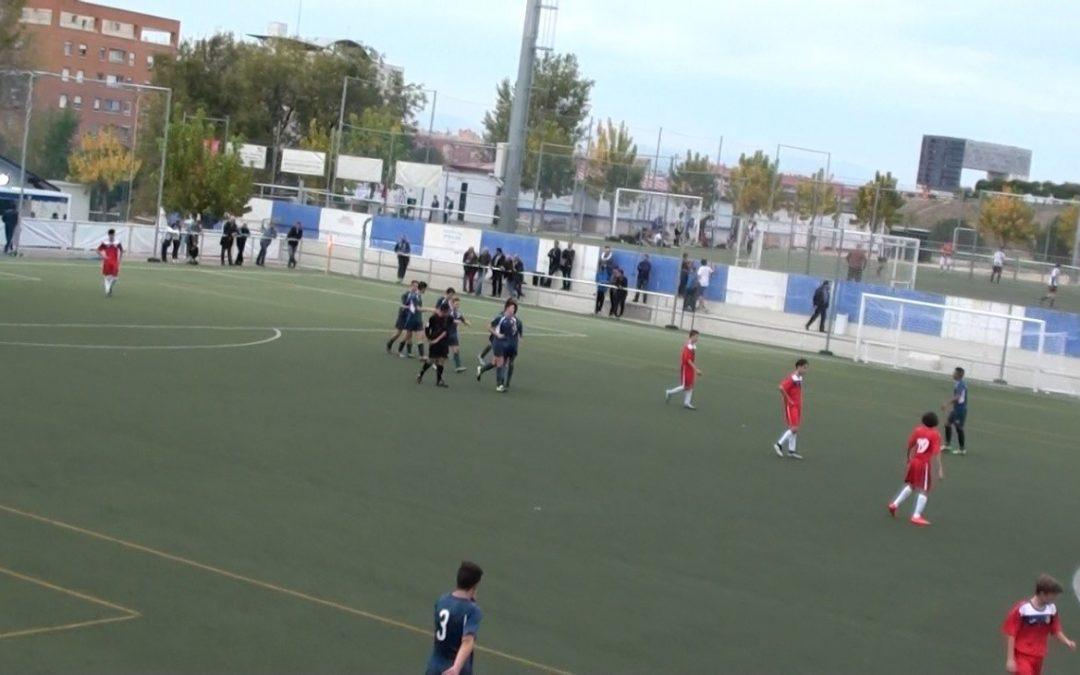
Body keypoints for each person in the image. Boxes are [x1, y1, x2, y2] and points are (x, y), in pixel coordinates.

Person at [1002, 575, 1076, 675]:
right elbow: (1011, 633)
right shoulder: (1022, 609)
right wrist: (1010, 659)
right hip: (1022, 656)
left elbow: (1056, 630)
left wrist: (1067, 641)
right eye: (1052, 595)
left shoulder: (1051, 609)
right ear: (1042, 594)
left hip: (1039, 656)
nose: (1054, 598)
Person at [886, 411, 945, 526]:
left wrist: (909, 458)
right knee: (924, 489)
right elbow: (937, 453)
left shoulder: (918, 430)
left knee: (911, 485)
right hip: (924, 463)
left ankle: (894, 504)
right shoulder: (935, 434)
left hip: (914, 461)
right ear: (935, 423)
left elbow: (910, 445)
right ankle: (916, 516)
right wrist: (940, 469)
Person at [425, 561, 484, 675]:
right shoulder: (472, 610)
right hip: (456, 668)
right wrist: (456, 668)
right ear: (474, 586)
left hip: (434, 666)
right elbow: (467, 641)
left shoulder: (442, 601)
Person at [477, 299, 523, 393]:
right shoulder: (500, 318)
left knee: (496, 363)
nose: (513, 309)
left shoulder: (515, 321)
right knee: (500, 363)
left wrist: (518, 339)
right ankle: (499, 385)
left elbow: (516, 332)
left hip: (508, 345)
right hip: (498, 343)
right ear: (507, 308)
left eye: (514, 308)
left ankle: (482, 370)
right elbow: (489, 327)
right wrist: (497, 334)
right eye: (512, 307)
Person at [774, 358, 809, 460]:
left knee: (795, 429)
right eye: (804, 368)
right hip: (792, 406)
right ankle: (778, 444)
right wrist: (789, 400)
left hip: (797, 406)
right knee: (794, 428)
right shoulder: (792, 378)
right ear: (798, 367)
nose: (806, 370)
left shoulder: (799, 378)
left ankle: (791, 451)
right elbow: (781, 387)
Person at [385, 280, 428, 358]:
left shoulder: (417, 295)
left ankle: (409, 352)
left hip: (410, 316)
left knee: (409, 334)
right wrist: (412, 308)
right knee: (399, 333)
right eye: (414, 286)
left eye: (416, 286)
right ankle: (389, 343)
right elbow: (402, 305)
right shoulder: (406, 295)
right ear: (411, 286)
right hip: (403, 316)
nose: (415, 287)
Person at [664, 330, 702, 410]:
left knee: (690, 385)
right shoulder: (688, 347)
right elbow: (688, 360)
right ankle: (669, 392)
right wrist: (696, 369)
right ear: (692, 336)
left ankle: (687, 403)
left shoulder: (692, 346)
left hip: (690, 368)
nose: (697, 338)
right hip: (686, 368)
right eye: (696, 336)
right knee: (685, 386)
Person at [417, 305, 452, 388]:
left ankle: (439, 380)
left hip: (443, 342)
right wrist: (429, 338)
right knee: (431, 360)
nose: (448, 313)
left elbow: (445, 332)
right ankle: (420, 374)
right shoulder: (433, 318)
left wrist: (437, 340)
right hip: (434, 341)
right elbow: (427, 327)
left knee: (442, 360)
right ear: (442, 311)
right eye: (447, 312)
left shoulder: (449, 319)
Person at [942, 367, 968, 455]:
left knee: (959, 428)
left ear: (958, 375)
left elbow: (957, 397)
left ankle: (962, 449)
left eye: (954, 373)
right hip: (956, 409)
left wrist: (946, 403)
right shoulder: (958, 383)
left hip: (960, 410)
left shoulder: (961, 384)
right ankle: (947, 445)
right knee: (947, 424)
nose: (953, 374)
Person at [96, 228, 123, 297]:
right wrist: (103, 256)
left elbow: (121, 250)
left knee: (115, 278)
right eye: (110, 235)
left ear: (114, 235)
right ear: (108, 235)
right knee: (107, 277)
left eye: (113, 235)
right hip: (107, 261)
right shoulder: (105, 243)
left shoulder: (117, 242)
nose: (111, 236)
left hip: (115, 262)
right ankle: (107, 291)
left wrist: (120, 259)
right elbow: (98, 250)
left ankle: (109, 287)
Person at [448, 296, 469, 373]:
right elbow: (447, 320)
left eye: (458, 304)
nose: (457, 306)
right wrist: (454, 321)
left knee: (456, 350)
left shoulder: (458, 312)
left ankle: (458, 366)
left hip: (453, 334)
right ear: (452, 304)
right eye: (456, 304)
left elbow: (462, 319)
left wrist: (466, 323)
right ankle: (434, 363)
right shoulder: (449, 311)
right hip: (446, 333)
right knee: (442, 350)